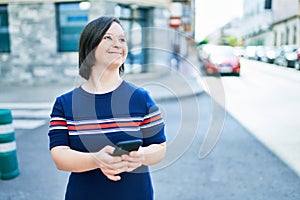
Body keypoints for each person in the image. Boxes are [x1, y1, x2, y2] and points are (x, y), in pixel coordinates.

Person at [48, 16, 167, 200]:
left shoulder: (141, 98)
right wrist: (96, 159)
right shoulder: (65, 103)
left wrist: (142, 155)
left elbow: (159, 147)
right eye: (108, 38)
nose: (118, 44)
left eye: (122, 39)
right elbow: (59, 156)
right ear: (89, 46)